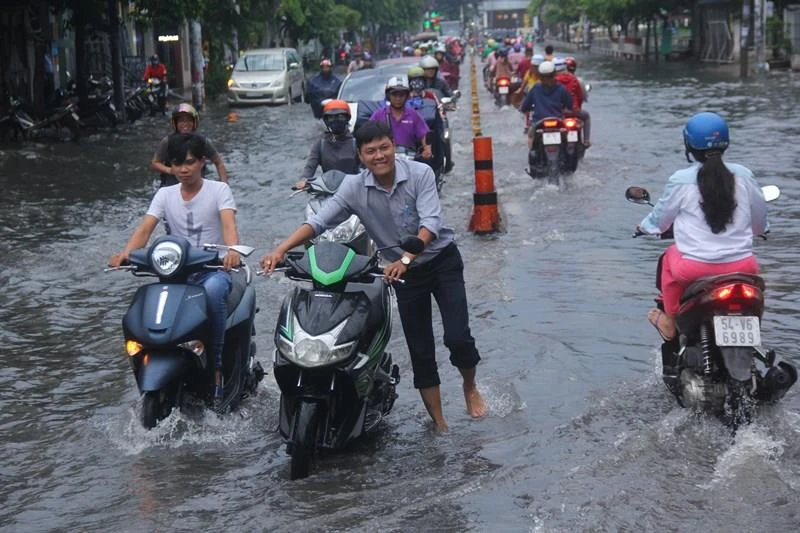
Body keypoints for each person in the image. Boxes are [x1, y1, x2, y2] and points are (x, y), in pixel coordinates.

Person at [259, 121, 487, 432]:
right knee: (421, 351)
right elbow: (319, 222)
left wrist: (406, 257)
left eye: (384, 148)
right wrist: (280, 249)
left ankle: (469, 386)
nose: (379, 156)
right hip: (403, 275)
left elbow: (431, 224)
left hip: (441, 261)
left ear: (394, 146)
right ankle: (441, 424)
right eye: (371, 151)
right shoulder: (354, 186)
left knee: (457, 337)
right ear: (361, 157)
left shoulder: (420, 174)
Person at [109, 133, 241, 403]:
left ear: (202, 162)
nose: (183, 169)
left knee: (214, 292)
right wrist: (126, 254)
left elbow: (229, 226)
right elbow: (145, 228)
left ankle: (215, 367)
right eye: (177, 163)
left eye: (189, 162)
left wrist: (232, 253)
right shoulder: (164, 194)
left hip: (212, 270)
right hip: (175, 273)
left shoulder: (219, 190)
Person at [637, 112, 767, 341]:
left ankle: (670, 319)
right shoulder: (744, 176)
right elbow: (759, 220)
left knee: (669, 256)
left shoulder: (681, 179)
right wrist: (760, 230)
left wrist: (644, 227)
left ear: (689, 145)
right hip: (745, 267)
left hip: (695, 270)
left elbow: (661, 220)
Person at [150, 103, 229, 187]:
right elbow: (155, 163)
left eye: (189, 120)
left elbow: (219, 162)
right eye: (181, 121)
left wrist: (224, 186)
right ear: (175, 123)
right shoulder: (167, 142)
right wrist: (170, 170)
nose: (185, 124)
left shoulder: (203, 141)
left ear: (195, 122)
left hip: (197, 188)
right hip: (171, 186)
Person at [295, 99, 360, 189]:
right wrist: (304, 179)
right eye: (331, 118)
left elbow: (367, 166)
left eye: (340, 117)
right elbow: (310, 166)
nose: (336, 121)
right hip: (329, 191)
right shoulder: (320, 145)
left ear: (347, 118)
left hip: (353, 189)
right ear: (326, 120)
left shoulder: (356, 143)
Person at [368, 75, 432, 160]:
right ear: (388, 95)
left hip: (410, 160)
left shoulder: (413, 115)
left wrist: (427, 149)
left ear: (407, 96)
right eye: (394, 94)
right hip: (384, 159)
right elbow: (367, 135)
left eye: (401, 95)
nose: (398, 98)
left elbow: (424, 134)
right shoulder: (378, 115)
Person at [519, 61, 572, 151]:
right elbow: (569, 105)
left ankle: (532, 154)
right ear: (554, 74)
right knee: (568, 139)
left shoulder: (536, 88)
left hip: (539, 123)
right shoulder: (561, 88)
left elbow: (525, 106)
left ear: (540, 76)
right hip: (558, 121)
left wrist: (525, 108)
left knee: (530, 136)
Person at [555, 57, 590, 147]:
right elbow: (580, 96)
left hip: (557, 111)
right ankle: (586, 141)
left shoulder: (552, 80)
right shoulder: (576, 80)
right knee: (586, 117)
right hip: (573, 111)